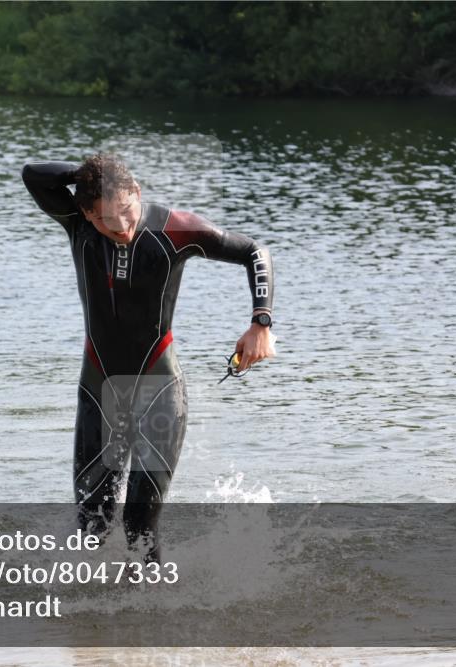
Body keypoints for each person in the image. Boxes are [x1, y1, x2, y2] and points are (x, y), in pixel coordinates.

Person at [21, 153, 274, 563]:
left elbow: (254, 251)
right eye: (105, 218)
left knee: (139, 525)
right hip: (99, 388)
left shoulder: (174, 229)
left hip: (159, 389)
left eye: (126, 210)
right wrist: (92, 176)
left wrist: (260, 322)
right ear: (85, 213)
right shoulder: (77, 223)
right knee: (92, 526)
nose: (120, 227)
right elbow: (33, 174)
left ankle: (157, 608)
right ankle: (94, 622)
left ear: (137, 192)